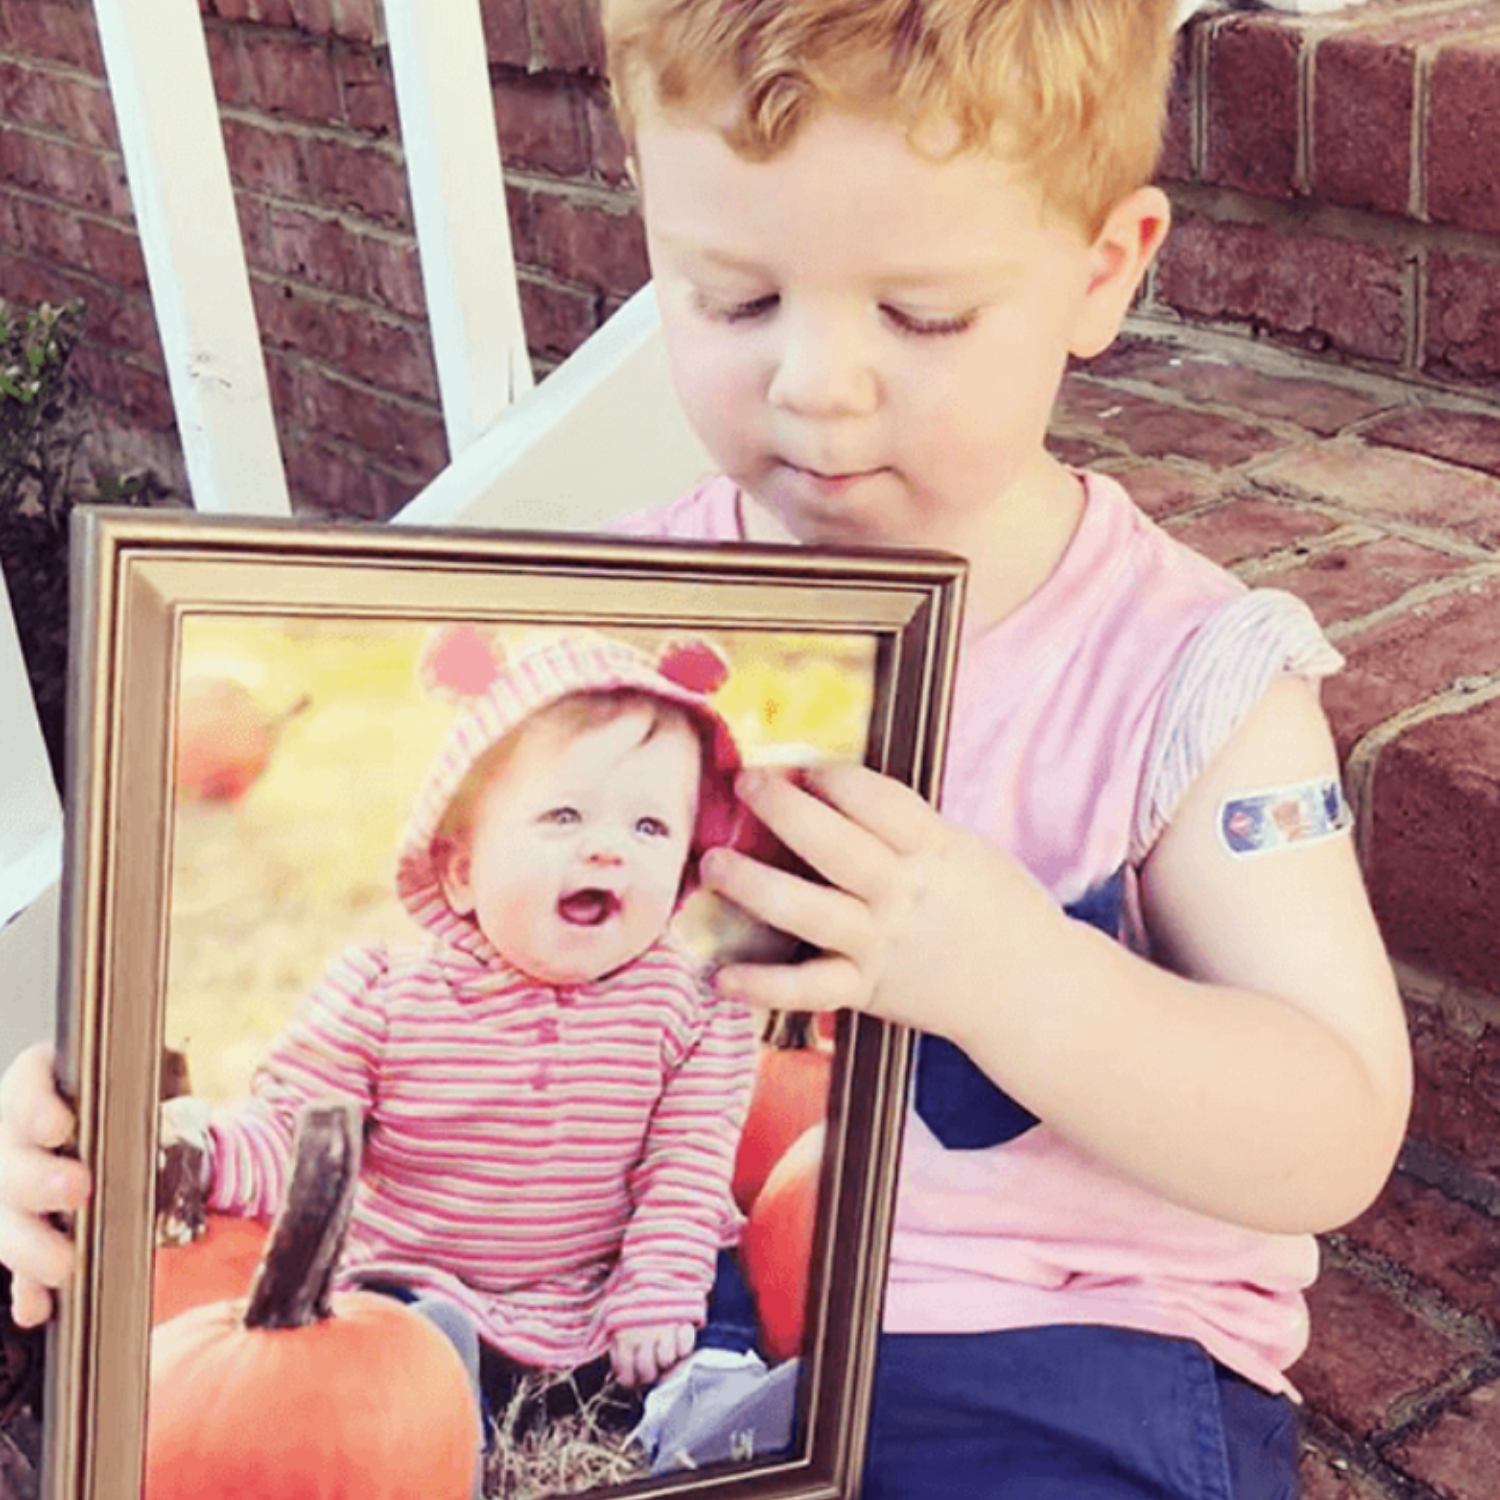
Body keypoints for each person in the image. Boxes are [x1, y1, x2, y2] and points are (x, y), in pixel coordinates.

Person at [0, 1, 1412, 1495]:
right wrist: (96, 1146)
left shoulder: (1186, 675)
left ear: (1105, 269)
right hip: (681, 1340)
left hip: (1057, 1359)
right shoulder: (606, 652)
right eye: (736, 298)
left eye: (923, 315)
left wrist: (1015, 978)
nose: (817, 382)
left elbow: (1332, 1135)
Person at [138, 629, 760, 1427]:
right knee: (380, 1322)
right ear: (462, 871)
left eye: (649, 828)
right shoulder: (384, 998)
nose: (609, 849)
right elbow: (297, 1135)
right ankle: (439, 1404)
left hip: (614, 1293)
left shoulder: (694, 1007)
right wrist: (206, 1152)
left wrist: (659, 1291)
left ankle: (705, 1396)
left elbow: (685, 1169)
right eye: (565, 815)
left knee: (717, 1268)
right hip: (431, 1284)